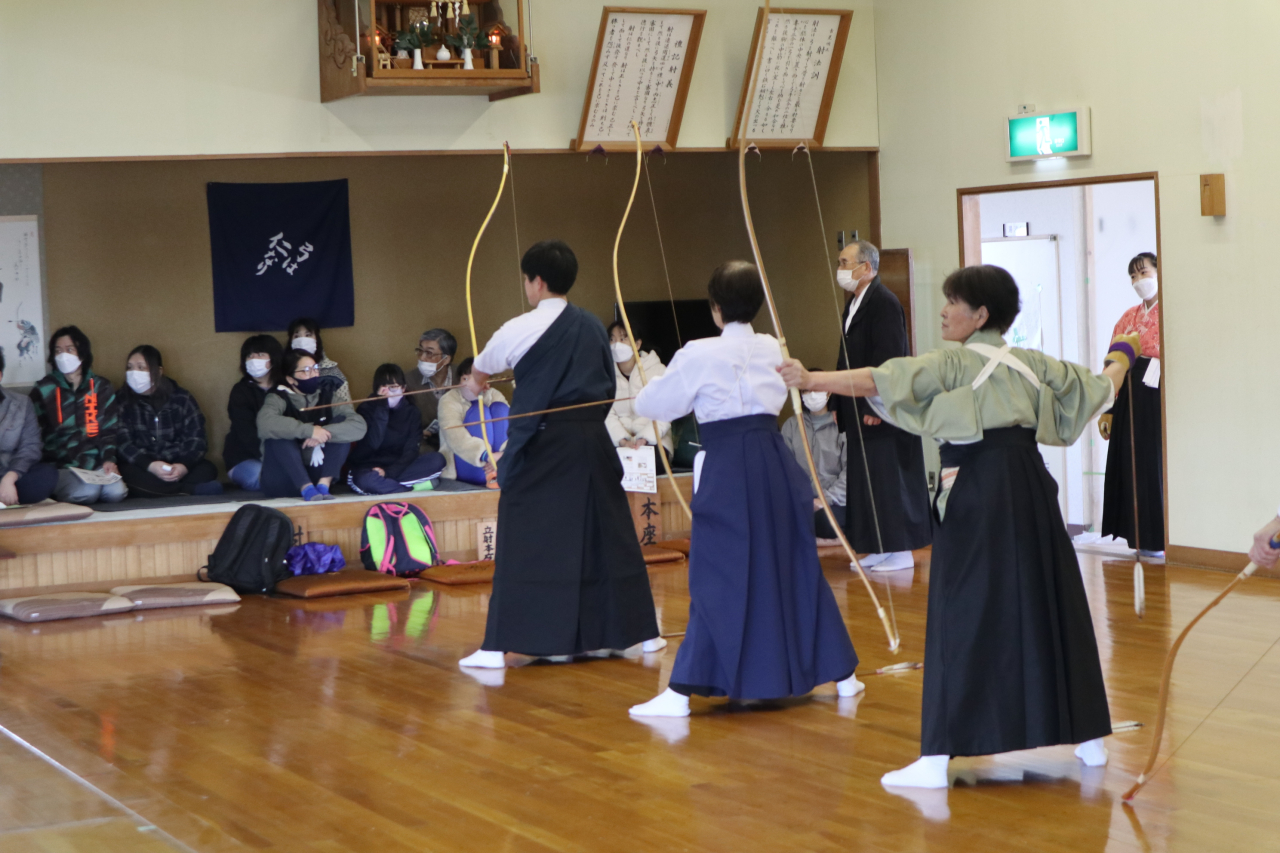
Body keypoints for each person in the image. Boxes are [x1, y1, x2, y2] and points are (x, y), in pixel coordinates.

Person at [781, 264, 1137, 788]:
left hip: (975, 489)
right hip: (1031, 489)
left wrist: (812, 380)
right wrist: (1123, 356)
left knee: (961, 609)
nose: (944, 310)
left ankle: (936, 759)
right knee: (1050, 599)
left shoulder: (952, 361)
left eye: (953, 302)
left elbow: (881, 378)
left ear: (981, 315)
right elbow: (1101, 388)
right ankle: (1088, 739)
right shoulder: (1033, 363)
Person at [627, 261, 861, 718]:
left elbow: (657, 403)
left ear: (715, 308)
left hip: (730, 464)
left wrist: (641, 391)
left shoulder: (698, 351)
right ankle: (844, 675)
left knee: (718, 573)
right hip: (773, 460)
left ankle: (681, 692)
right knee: (791, 562)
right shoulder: (773, 345)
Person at [457, 240, 664, 670]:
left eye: (526, 280)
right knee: (609, 537)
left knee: (524, 536)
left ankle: (498, 648)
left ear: (537, 282)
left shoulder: (517, 328)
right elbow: (606, 387)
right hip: (591, 445)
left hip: (543, 447)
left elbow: (477, 377)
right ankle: (643, 636)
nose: (526, 287)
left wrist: (471, 388)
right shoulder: (591, 326)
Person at [832, 240, 932, 572]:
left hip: (880, 410)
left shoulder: (884, 303)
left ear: (867, 267)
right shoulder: (854, 304)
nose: (841, 268)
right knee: (867, 480)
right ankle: (877, 546)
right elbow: (844, 358)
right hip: (856, 405)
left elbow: (888, 361)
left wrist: (876, 406)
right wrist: (836, 399)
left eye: (846, 262)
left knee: (888, 479)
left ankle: (900, 550)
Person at [1100, 252, 1165, 559]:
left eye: (1144, 273)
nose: (1139, 281)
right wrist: (1108, 408)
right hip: (1128, 394)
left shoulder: (1169, 312)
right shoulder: (1128, 317)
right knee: (1130, 463)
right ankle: (1135, 536)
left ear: (1158, 271)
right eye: (1133, 277)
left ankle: (1161, 537)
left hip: (1157, 396)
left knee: (1154, 465)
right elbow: (1114, 362)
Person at [30, 325, 128, 505]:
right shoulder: (43, 389)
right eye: (58, 351)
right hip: (60, 467)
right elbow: (35, 434)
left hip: (95, 464)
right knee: (86, 492)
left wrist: (108, 460)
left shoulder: (101, 387)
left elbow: (109, 430)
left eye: (69, 350)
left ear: (82, 354)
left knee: (116, 492)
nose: (63, 355)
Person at [256, 349, 367, 500]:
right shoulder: (277, 397)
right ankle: (306, 488)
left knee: (342, 425)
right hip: (284, 479)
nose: (314, 374)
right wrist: (308, 431)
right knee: (277, 435)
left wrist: (323, 433)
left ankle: (324, 485)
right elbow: (265, 422)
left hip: (318, 473)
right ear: (290, 379)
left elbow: (359, 425)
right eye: (306, 370)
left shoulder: (328, 396)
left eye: (315, 369)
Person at [116, 345, 221, 497]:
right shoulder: (122, 400)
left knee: (208, 468)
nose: (134, 373)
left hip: (177, 462)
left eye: (141, 367)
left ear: (158, 371)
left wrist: (183, 466)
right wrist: (150, 465)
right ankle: (189, 490)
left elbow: (197, 439)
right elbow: (122, 443)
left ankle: (162, 491)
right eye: (130, 368)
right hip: (144, 466)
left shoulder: (181, 398)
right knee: (124, 474)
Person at [347, 364, 446, 495]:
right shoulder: (366, 409)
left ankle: (387, 486)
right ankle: (410, 489)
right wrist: (381, 408)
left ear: (403, 388)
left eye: (393, 388)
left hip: (398, 467)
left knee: (437, 460)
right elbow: (371, 444)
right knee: (367, 480)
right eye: (383, 389)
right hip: (368, 467)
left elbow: (411, 450)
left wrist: (389, 472)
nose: (388, 393)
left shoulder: (412, 412)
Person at [780, 369, 847, 543]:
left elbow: (851, 472)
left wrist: (824, 500)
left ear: (828, 391)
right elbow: (784, 469)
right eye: (806, 391)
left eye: (815, 388)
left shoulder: (843, 425)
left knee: (825, 522)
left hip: (834, 501)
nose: (811, 394)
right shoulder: (792, 426)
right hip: (801, 501)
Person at [223, 334, 283, 492]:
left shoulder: (286, 389)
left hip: (284, 454)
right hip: (244, 457)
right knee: (262, 478)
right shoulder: (240, 391)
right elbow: (246, 433)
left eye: (260, 354)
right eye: (249, 355)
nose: (254, 359)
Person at [438, 357, 509, 486]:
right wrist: (486, 456)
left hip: (499, 462)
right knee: (478, 410)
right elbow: (455, 436)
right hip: (466, 462)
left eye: (476, 380)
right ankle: (492, 471)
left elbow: (511, 428)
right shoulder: (448, 399)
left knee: (500, 408)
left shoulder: (494, 394)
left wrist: (503, 456)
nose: (470, 385)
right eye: (465, 379)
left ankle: (499, 470)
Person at [604, 321, 672, 453]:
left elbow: (665, 412)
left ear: (637, 344)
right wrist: (622, 440)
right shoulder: (605, 375)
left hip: (654, 440)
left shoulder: (658, 371)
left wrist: (644, 439)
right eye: (612, 339)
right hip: (617, 442)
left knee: (651, 462)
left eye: (623, 338)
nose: (616, 344)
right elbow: (606, 413)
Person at [0, 350, 57, 506]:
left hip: (11, 473)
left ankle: (6, 494)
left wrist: (9, 478)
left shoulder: (21, 403)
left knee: (47, 475)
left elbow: (30, 446)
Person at [408, 328, 457, 450]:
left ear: (446, 359)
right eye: (420, 351)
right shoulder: (408, 381)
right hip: (425, 446)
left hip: (461, 442)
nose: (422, 358)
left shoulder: (464, 377)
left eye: (429, 353)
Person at [287, 317, 350, 405]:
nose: (302, 340)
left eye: (308, 335)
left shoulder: (334, 375)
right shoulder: (282, 372)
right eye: (297, 336)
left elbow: (346, 408)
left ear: (317, 339)